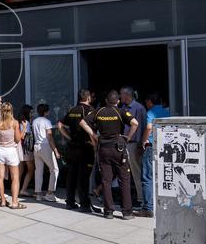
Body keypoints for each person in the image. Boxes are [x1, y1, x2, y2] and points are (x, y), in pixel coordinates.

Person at [80, 90, 139, 219]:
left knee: (106, 180)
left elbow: (83, 122)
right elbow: (135, 123)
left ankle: (108, 212)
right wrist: (128, 137)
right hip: (119, 148)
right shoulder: (121, 111)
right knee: (124, 179)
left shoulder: (99, 111)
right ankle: (127, 212)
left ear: (106, 100)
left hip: (103, 149)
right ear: (117, 101)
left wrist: (94, 135)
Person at [58, 90, 97, 213]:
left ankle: (70, 202)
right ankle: (84, 204)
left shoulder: (72, 110)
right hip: (85, 147)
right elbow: (91, 129)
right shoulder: (90, 110)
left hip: (73, 147)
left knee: (72, 175)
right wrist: (95, 145)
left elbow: (60, 125)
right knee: (84, 176)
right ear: (88, 97)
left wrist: (69, 137)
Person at [140, 92, 170, 217]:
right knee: (163, 176)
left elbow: (148, 127)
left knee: (147, 177)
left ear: (150, 102)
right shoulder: (167, 112)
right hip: (166, 147)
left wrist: (144, 141)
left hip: (151, 146)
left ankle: (148, 207)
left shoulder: (150, 112)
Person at [0, 102, 26, 209]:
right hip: (11, 151)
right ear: (11, 110)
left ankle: (2, 200)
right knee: (15, 177)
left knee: (0, 177)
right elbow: (17, 139)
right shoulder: (15, 123)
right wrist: (24, 129)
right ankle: (14, 202)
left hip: (0, 150)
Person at [120, 86, 146, 206]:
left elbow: (142, 127)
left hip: (134, 144)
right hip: (124, 143)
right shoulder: (123, 107)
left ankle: (141, 198)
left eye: (121, 94)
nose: (120, 97)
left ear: (127, 95)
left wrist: (141, 145)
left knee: (137, 172)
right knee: (126, 172)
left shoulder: (138, 108)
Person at [32, 103, 60, 202]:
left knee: (38, 170)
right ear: (46, 112)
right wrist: (55, 150)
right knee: (54, 169)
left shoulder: (35, 121)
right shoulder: (47, 121)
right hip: (45, 146)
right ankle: (50, 193)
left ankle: (38, 194)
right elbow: (50, 137)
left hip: (36, 146)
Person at [17, 105, 35, 198]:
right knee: (30, 170)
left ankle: (16, 189)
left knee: (20, 171)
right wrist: (25, 128)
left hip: (19, 148)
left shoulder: (18, 121)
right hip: (26, 149)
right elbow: (23, 136)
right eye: (31, 112)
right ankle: (23, 189)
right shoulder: (26, 123)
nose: (33, 114)